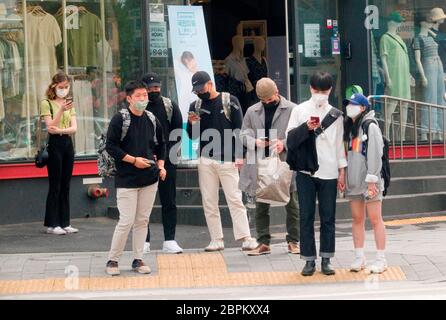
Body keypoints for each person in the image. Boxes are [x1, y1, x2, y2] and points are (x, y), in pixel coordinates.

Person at [186, 71, 258, 252]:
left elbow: (239, 129)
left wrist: (239, 155)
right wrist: (192, 124)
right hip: (205, 158)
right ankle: (216, 239)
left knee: (234, 199)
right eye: (196, 90)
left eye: (201, 88)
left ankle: (246, 237)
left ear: (210, 84)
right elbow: (192, 136)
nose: (199, 93)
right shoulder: (194, 105)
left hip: (228, 159)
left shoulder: (229, 100)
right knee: (209, 200)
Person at [286, 72, 347, 276]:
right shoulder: (299, 110)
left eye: (324, 90)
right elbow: (289, 138)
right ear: (311, 88)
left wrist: (342, 172)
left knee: (328, 217)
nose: (320, 94)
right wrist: (306, 128)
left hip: (329, 171)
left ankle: (327, 258)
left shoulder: (336, 115)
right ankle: (309, 260)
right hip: (306, 170)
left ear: (330, 90)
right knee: (306, 216)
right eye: (317, 90)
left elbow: (339, 145)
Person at [105, 80, 166, 276]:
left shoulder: (151, 118)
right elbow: (111, 146)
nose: (143, 99)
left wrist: (161, 166)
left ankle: (138, 259)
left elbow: (161, 145)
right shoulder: (119, 119)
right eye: (138, 96)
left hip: (150, 177)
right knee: (126, 220)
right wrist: (133, 160)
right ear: (129, 98)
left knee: (142, 220)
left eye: (145, 95)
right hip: (127, 178)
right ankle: (113, 260)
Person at [239, 78, 300, 256]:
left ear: (277, 92)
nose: (267, 103)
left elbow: (300, 133)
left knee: (291, 202)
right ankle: (263, 242)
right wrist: (255, 141)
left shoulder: (292, 109)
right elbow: (243, 134)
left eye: (269, 99)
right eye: (263, 100)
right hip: (260, 162)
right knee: (261, 202)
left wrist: (285, 143)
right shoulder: (252, 111)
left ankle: (293, 241)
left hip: (284, 162)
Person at [343, 93, 388, 274]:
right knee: (357, 219)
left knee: (376, 219)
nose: (349, 107)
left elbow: (375, 155)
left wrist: (372, 180)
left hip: (370, 182)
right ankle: (359, 256)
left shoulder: (370, 126)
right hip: (354, 182)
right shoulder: (351, 127)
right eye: (348, 104)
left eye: (353, 104)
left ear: (363, 108)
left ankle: (381, 258)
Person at [141, 72, 183, 254]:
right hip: (143, 161)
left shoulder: (169, 105)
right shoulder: (138, 106)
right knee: (143, 204)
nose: (153, 91)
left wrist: (165, 159)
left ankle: (170, 239)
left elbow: (178, 132)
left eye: (156, 88)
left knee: (169, 201)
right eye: (150, 89)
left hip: (167, 161)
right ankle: (144, 240)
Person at [41, 72, 78, 235]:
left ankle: (65, 222)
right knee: (55, 184)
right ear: (54, 86)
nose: (64, 90)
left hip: (67, 143)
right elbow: (50, 127)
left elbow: (74, 128)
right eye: (61, 87)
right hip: (54, 144)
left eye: (66, 87)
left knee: (66, 184)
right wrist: (61, 111)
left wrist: (62, 130)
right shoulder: (46, 103)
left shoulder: (69, 103)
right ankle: (52, 223)